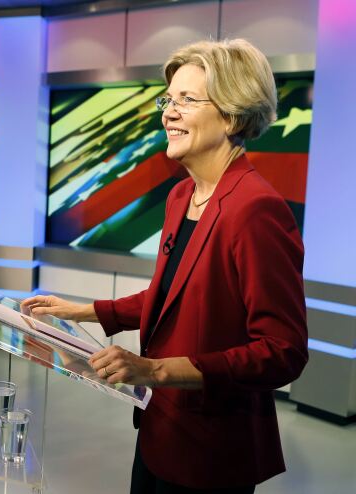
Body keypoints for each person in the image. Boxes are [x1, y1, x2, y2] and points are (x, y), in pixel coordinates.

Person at [22, 39, 308, 493]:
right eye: (167, 100)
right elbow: (174, 295)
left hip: (212, 451)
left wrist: (154, 370)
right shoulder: (181, 196)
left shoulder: (256, 210)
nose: (168, 113)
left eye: (186, 101)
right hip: (160, 429)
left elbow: (282, 351)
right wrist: (81, 311)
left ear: (232, 115)